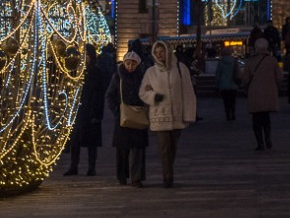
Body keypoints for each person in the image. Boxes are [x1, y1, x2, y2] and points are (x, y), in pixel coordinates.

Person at [138, 39, 196, 187]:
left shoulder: (180, 68)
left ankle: (168, 172)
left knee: (172, 148)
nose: (159, 55)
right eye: (156, 53)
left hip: (177, 115)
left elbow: (188, 92)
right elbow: (143, 92)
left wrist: (189, 114)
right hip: (160, 115)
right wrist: (153, 97)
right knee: (164, 148)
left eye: (161, 52)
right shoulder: (150, 72)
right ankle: (167, 177)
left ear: (167, 51)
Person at [106, 51, 148, 187]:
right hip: (122, 117)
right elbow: (110, 95)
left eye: (133, 63)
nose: (130, 66)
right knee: (122, 149)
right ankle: (122, 176)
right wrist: (117, 110)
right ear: (124, 63)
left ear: (138, 64)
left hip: (138, 114)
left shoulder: (143, 77)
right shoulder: (118, 76)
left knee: (138, 148)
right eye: (128, 63)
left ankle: (136, 178)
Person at [64, 45, 105, 176]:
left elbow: (100, 94)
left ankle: (91, 167)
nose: (85, 58)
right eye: (82, 56)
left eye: (87, 55)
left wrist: (97, 113)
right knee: (75, 139)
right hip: (78, 111)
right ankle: (73, 165)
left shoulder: (97, 72)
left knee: (91, 141)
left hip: (92, 110)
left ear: (92, 56)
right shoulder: (75, 71)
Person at [241, 38, 280, 149]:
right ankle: (268, 138)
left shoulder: (250, 62)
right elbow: (279, 77)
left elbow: (245, 79)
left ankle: (260, 143)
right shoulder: (273, 60)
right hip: (269, 92)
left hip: (255, 93)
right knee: (266, 118)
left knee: (256, 119)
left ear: (256, 48)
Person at [214, 46, 240, 122]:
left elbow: (218, 74)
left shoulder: (221, 62)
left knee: (226, 101)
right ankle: (233, 113)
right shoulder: (234, 61)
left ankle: (228, 115)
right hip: (233, 84)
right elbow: (238, 72)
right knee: (233, 101)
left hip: (224, 85)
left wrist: (216, 85)